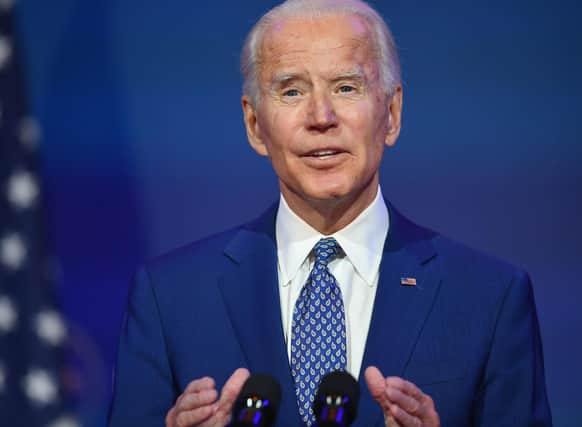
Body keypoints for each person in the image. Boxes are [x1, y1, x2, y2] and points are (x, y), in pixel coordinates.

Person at [108, 1, 552, 426]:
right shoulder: (169, 297)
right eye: (292, 90)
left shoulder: (489, 298)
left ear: (392, 114)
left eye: (345, 87)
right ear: (255, 125)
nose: (321, 116)